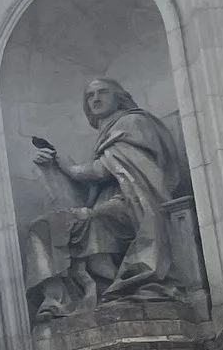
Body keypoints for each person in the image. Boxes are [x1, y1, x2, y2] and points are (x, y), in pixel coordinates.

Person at [23, 78, 194, 318]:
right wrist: (53, 168)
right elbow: (93, 183)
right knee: (42, 227)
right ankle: (56, 301)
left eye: (102, 92)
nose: (95, 99)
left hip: (136, 206)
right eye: (90, 96)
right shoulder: (109, 133)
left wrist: (64, 166)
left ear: (119, 97)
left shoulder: (133, 122)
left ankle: (107, 288)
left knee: (94, 222)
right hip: (111, 206)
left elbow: (105, 169)